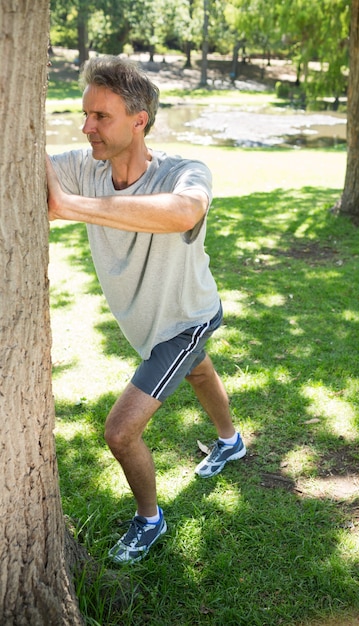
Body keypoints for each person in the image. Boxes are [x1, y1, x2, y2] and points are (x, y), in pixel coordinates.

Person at [46, 55, 246, 565]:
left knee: (120, 431)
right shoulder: (84, 166)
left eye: (101, 117)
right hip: (151, 325)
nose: (86, 127)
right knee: (200, 373)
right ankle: (231, 441)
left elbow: (183, 212)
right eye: (84, 114)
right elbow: (28, 156)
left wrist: (71, 206)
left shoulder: (184, 172)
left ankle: (150, 521)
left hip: (186, 321)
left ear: (140, 120)